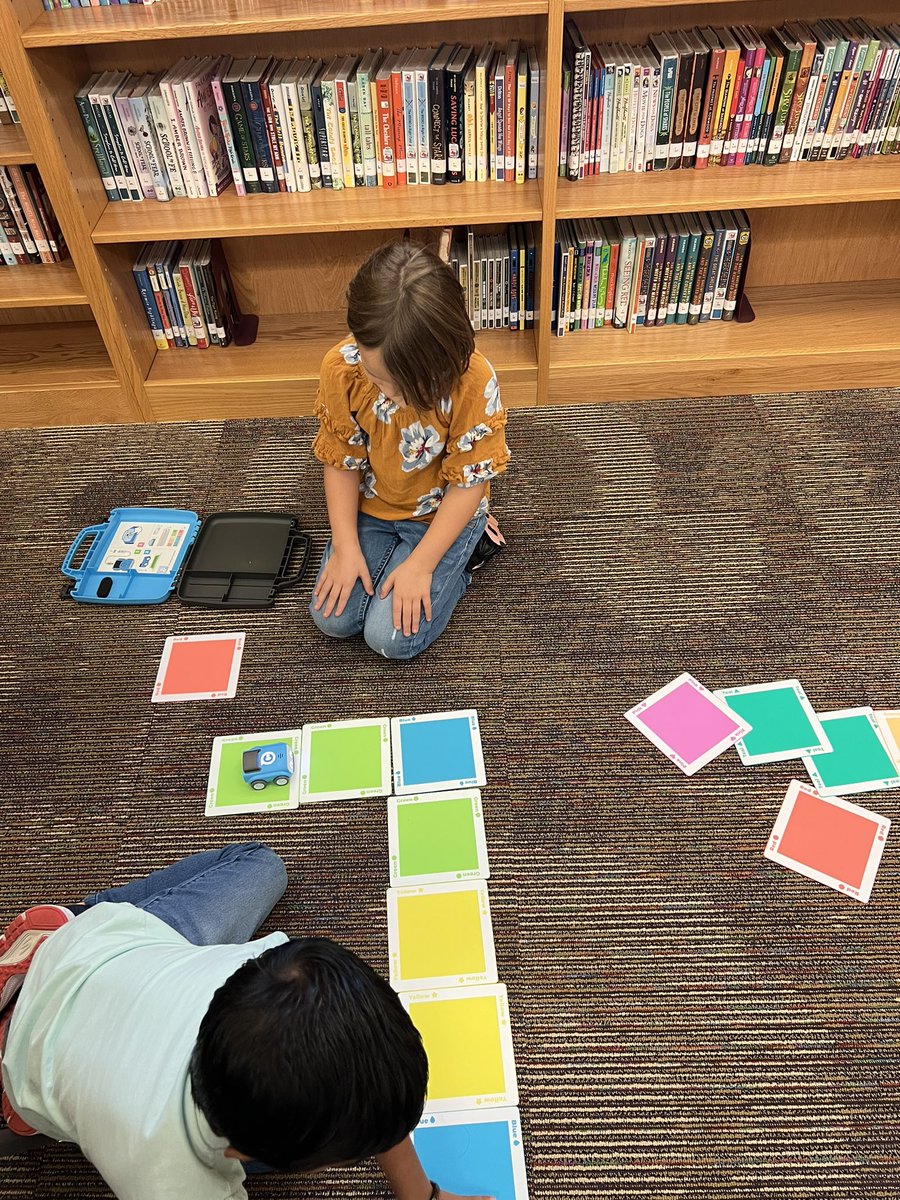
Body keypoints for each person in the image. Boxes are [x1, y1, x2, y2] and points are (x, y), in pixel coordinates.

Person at [0, 843, 492, 1200]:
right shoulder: (169, 1178)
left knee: (260, 864)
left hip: (98, 944)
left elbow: (365, 1079)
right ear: (234, 1153)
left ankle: (50, 937)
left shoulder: (278, 971)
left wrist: (421, 1195)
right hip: (23, 1058)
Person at [309, 240, 509, 660]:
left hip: (443, 512)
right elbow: (341, 461)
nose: (390, 398)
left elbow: (471, 482)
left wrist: (421, 565)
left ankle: (469, 548)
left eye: (406, 388)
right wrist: (345, 545)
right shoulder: (341, 368)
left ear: (446, 359)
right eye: (377, 378)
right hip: (374, 504)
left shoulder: (473, 381)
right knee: (334, 619)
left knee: (391, 639)